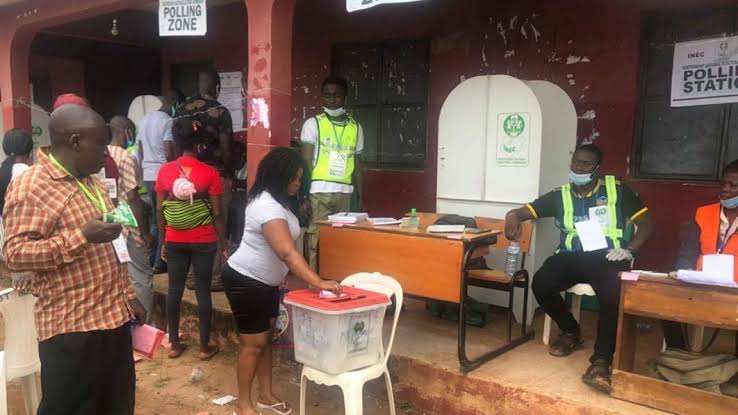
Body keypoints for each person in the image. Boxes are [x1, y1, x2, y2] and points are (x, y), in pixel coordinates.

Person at [2, 102, 146, 415]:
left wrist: (128, 294)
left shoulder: (92, 179)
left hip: (113, 319)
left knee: (117, 406)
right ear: (75, 142)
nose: (107, 153)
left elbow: (110, 245)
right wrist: (81, 236)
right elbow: (15, 255)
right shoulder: (31, 186)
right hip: (72, 329)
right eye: (101, 144)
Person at [504, 144, 654, 393]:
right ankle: (571, 331)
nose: (579, 168)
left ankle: (601, 361)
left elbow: (647, 224)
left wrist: (630, 250)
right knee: (541, 284)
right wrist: (512, 216)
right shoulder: (560, 195)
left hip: (608, 256)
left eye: (585, 164)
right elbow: (524, 211)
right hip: (570, 256)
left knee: (612, 296)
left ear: (597, 168)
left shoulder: (617, 190)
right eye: (575, 162)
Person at [223, 147, 341, 415]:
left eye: (300, 178)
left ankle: (265, 395)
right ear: (278, 176)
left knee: (267, 341)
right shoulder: (266, 206)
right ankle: (243, 404)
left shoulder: (279, 202)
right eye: (293, 178)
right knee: (253, 345)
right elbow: (287, 252)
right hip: (246, 280)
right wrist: (318, 282)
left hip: (266, 283)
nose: (298, 183)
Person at [156, 116, 227, 360]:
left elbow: (159, 209)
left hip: (174, 238)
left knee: (174, 290)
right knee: (203, 291)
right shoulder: (210, 173)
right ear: (199, 144)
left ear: (176, 143)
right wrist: (224, 245)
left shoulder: (165, 171)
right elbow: (217, 213)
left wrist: (164, 241)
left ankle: (175, 344)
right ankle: (205, 347)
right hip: (204, 239)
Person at [668, 160, 738, 349]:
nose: (725, 189)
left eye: (733, 185)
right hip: (701, 284)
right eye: (723, 184)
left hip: (735, 290)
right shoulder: (704, 213)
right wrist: (683, 274)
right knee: (665, 303)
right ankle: (679, 354)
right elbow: (688, 252)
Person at [177, 67, 233, 291]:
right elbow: (226, 149)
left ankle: (192, 276)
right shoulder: (220, 111)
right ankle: (214, 277)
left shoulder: (181, 109)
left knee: (193, 223)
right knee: (218, 223)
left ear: (197, 85)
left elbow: (174, 145)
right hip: (214, 173)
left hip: (186, 174)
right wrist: (228, 172)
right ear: (217, 86)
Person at [301, 75, 364, 270]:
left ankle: (335, 279)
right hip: (318, 191)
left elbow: (358, 164)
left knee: (341, 240)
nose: (331, 100)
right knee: (316, 238)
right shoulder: (313, 124)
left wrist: (360, 195)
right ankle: (314, 280)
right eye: (327, 95)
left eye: (337, 95)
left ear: (345, 97)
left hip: (345, 192)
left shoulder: (356, 127)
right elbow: (306, 160)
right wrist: (305, 193)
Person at [109, 115, 155, 318]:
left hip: (110, 220)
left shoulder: (100, 154)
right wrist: (143, 232)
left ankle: (124, 319)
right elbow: (133, 197)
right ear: (126, 131)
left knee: (119, 274)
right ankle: (145, 326)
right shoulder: (125, 158)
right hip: (128, 223)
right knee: (141, 276)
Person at [138, 89, 183, 273]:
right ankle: (159, 262)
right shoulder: (167, 121)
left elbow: (140, 149)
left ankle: (150, 259)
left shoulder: (144, 120)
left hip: (148, 174)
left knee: (155, 219)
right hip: (162, 174)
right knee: (165, 219)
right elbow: (168, 151)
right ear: (172, 103)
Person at [0, 129, 34, 289]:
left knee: (17, 289)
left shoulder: (2, 170)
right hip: (27, 241)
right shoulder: (29, 173)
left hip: (5, 240)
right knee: (31, 289)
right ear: (29, 149)